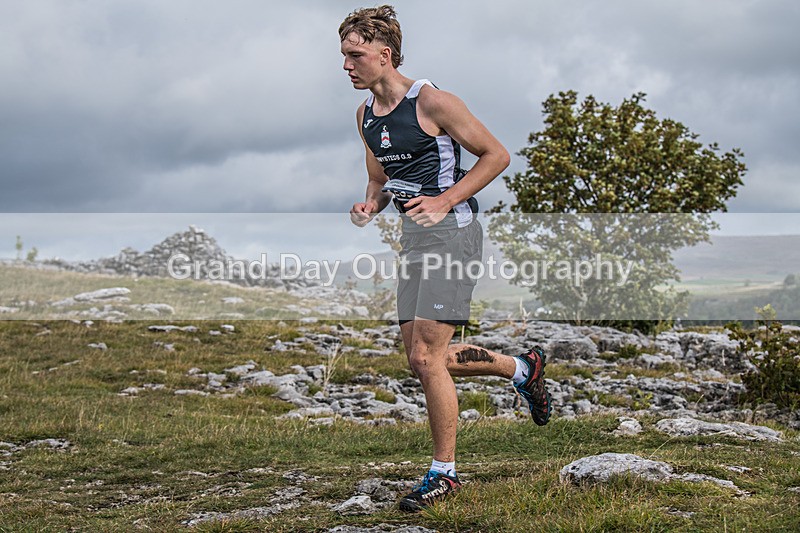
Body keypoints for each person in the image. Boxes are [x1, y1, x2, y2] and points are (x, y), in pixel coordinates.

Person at [340, 5, 553, 513]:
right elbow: (380, 177)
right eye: (344, 56)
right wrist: (371, 204)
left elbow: (497, 155)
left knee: (424, 358)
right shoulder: (366, 114)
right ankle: (521, 369)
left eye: (355, 55)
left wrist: (446, 199)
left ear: (384, 54)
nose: (346, 66)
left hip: (453, 236)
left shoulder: (432, 101)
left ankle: (444, 474)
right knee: (424, 358)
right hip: (415, 242)